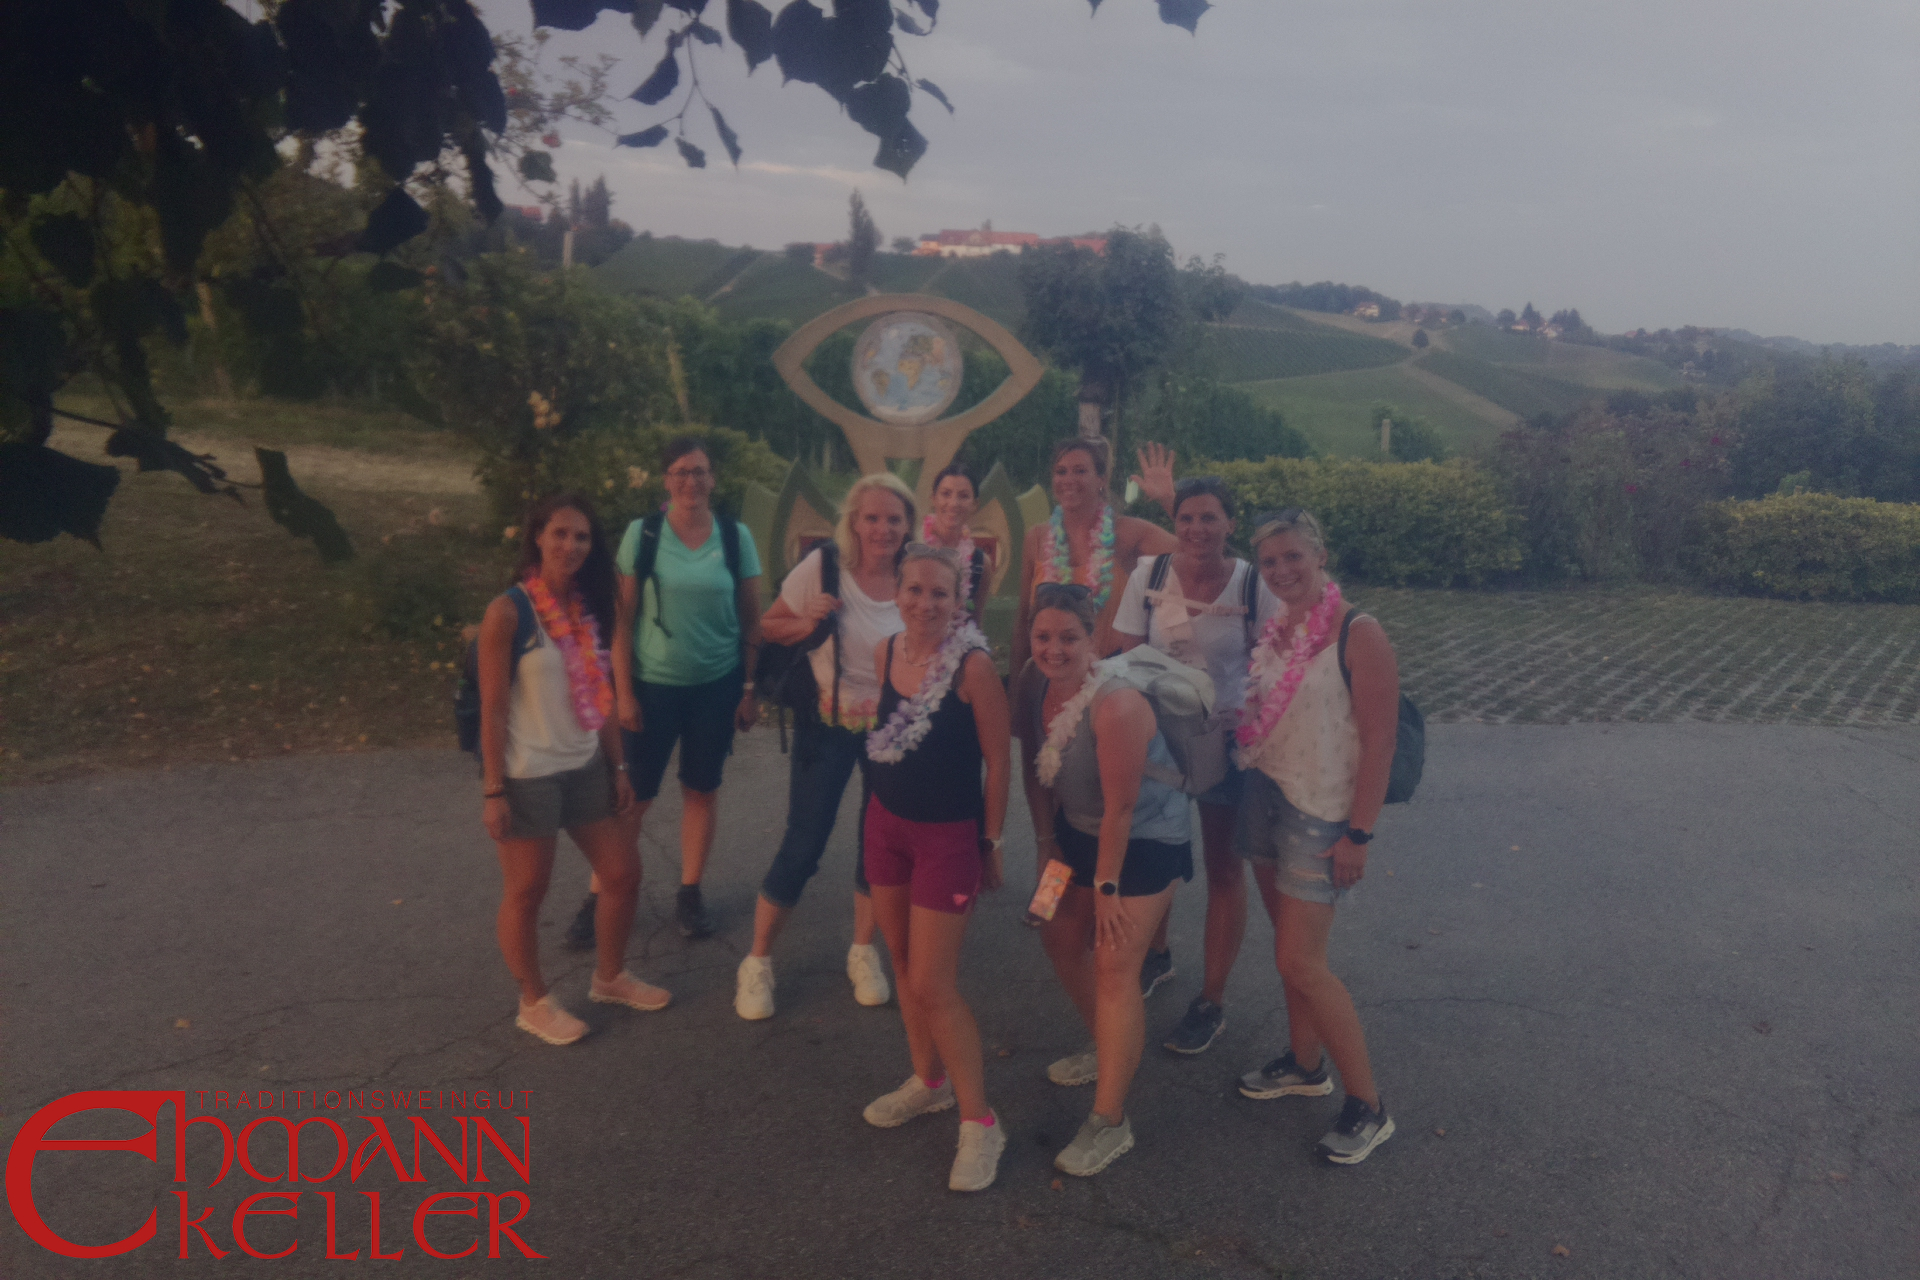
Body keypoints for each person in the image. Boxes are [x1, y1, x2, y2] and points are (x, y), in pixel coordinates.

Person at [1232, 509, 1398, 1165]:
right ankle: (1305, 1065)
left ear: (1320, 555)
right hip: (1265, 792)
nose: (1281, 570)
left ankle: (1369, 1106)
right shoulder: (1277, 627)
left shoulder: (1360, 632)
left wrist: (1359, 832)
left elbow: (1380, 740)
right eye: (1269, 561)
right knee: (1287, 951)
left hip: (1321, 813)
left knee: (1302, 961)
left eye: (1293, 556)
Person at [478, 492, 671, 1046]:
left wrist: (618, 766)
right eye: (560, 533)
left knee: (622, 873)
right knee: (527, 892)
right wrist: (494, 791)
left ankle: (609, 978)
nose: (571, 545)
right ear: (537, 537)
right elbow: (493, 708)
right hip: (528, 774)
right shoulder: (508, 612)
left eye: (581, 536)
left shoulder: (590, 607)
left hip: (585, 765)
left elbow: (600, 693)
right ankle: (533, 1002)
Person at [1016, 582, 1193, 1176]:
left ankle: (1110, 1121)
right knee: (1053, 930)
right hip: (1071, 833)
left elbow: (1121, 807)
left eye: (1069, 637)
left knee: (1115, 965)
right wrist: (1044, 848)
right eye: (1043, 636)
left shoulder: (1117, 705)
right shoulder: (1033, 682)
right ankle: (1108, 1044)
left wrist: (1106, 890)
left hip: (1142, 842)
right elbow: (1035, 773)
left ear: (1093, 639)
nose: (1055, 649)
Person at [562, 437, 763, 950]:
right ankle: (600, 895)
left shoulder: (735, 537)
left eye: (699, 471)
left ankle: (690, 893)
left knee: (701, 789)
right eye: (680, 472)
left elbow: (751, 621)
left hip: (716, 686)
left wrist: (749, 687)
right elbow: (622, 621)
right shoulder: (643, 533)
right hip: (652, 688)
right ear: (666, 480)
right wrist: (623, 694)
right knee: (632, 798)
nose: (691, 481)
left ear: (713, 478)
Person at [859, 544, 1012, 1192]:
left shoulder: (973, 668)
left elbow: (998, 762)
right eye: (915, 590)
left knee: (933, 982)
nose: (926, 603)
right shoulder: (885, 652)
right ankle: (929, 1081)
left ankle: (981, 1122)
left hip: (947, 838)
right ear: (897, 593)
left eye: (940, 593)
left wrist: (991, 841)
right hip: (884, 825)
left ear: (959, 601)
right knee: (900, 960)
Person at [736, 472, 915, 1020]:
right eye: (872, 517)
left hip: (893, 725)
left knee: (877, 843)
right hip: (828, 719)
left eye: (894, 518)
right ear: (853, 522)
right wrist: (807, 618)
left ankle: (862, 951)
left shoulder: (915, 572)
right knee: (805, 840)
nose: (882, 529)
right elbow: (769, 625)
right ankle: (757, 960)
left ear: (908, 524)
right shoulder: (825, 566)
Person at [1112, 472, 1274, 1054]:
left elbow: (1277, 661)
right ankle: (1155, 955)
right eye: (1186, 517)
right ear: (1173, 522)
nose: (1197, 528)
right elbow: (1127, 656)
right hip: (1157, 737)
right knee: (1155, 851)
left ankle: (1212, 1000)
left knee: (1223, 869)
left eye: (1209, 517)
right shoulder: (1149, 575)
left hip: (1226, 744)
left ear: (1230, 523)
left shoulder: (1253, 584)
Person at [1010, 437, 1176, 672]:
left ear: (1101, 479)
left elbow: (1199, 551)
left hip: (1110, 677)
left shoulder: (1127, 533)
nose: (1069, 480)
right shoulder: (1036, 538)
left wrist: (1169, 500)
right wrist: (1017, 687)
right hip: (1049, 674)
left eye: (1080, 471)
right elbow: (1023, 622)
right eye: (1061, 472)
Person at [919, 461, 994, 618]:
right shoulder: (913, 547)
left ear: (975, 504)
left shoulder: (980, 563)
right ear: (933, 498)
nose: (953, 503)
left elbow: (975, 620)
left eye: (963, 496)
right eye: (946, 494)